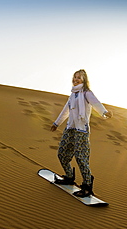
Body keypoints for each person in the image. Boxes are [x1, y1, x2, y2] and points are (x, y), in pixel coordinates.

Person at [50, 69, 112, 197]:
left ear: (84, 80)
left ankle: (87, 186)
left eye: (79, 77)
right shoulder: (73, 95)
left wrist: (104, 113)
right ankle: (68, 176)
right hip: (70, 129)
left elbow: (96, 103)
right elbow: (65, 111)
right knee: (62, 153)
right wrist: (56, 123)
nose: (76, 79)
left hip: (81, 130)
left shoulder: (86, 93)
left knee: (80, 157)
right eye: (74, 77)